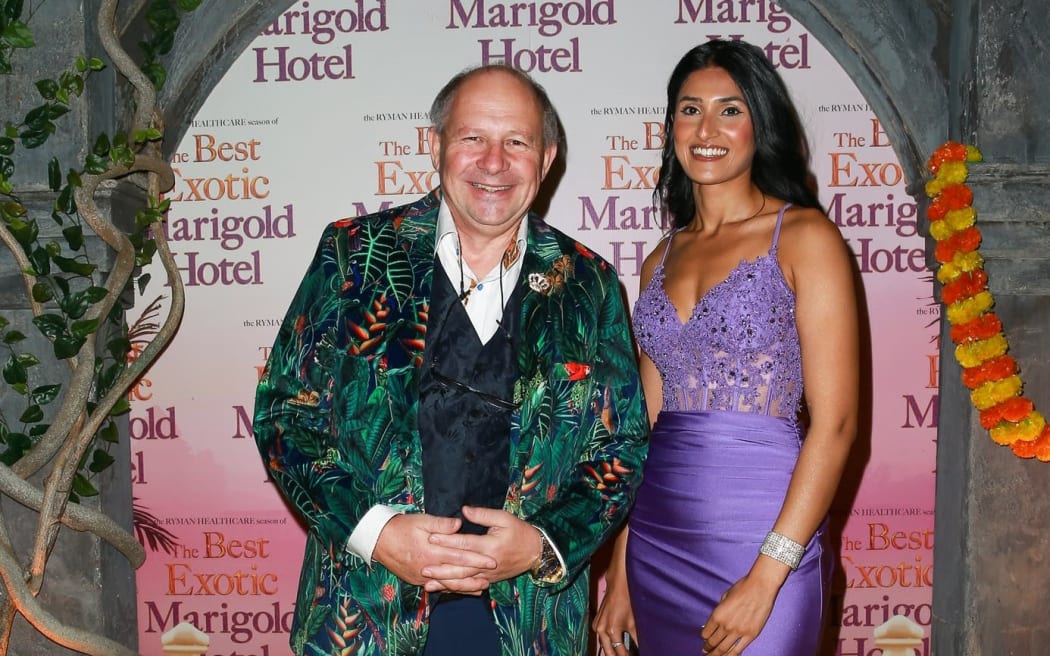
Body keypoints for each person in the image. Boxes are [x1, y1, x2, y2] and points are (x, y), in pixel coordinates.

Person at [253, 64, 648, 656]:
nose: (494, 162)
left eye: (517, 141)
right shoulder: (354, 254)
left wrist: (543, 544)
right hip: (365, 613)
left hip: (529, 625)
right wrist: (378, 534)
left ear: (546, 158)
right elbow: (286, 416)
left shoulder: (587, 284)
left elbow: (620, 449)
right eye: (473, 139)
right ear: (435, 145)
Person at [593, 39, 859, 655]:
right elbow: (645, 428)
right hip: (658, 540)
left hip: (764, 535)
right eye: (689, 110)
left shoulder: (804, 237)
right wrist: (622, 574)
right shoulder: (660, 258)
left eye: (729, 110)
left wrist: (771, 572)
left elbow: (838, 424)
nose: (706, 128)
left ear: (759, 124)